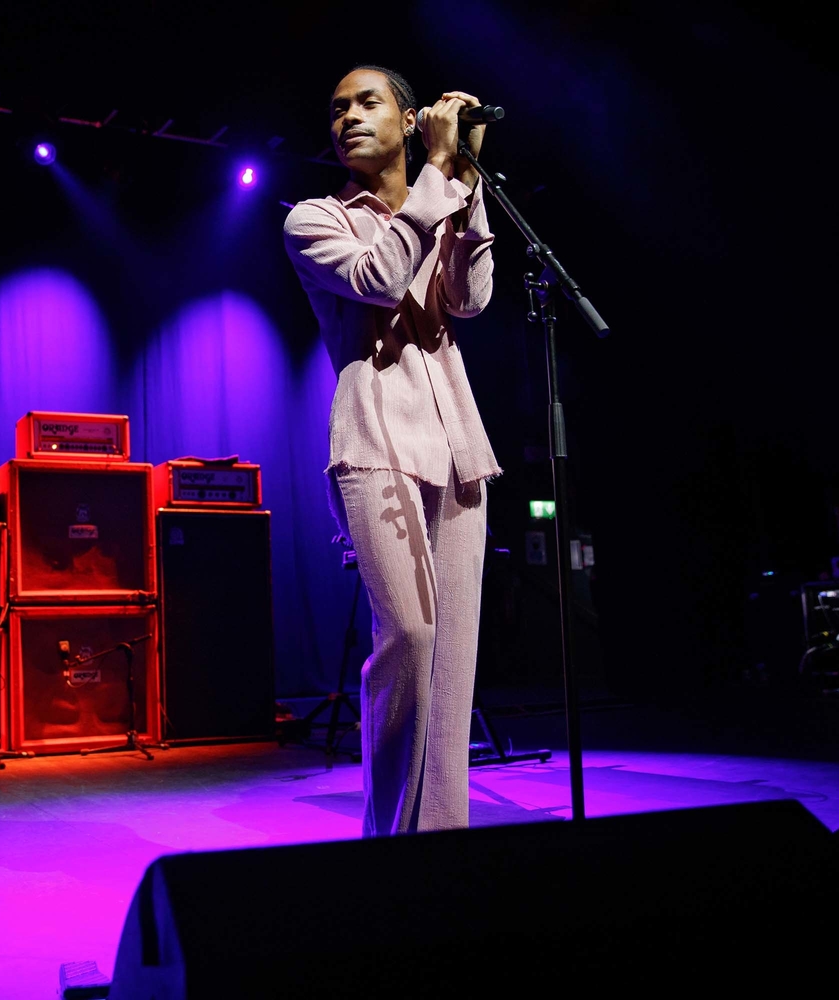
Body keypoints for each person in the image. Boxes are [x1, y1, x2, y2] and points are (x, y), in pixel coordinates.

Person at [283, 65, 500, 837]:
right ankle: (387, 846)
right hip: (374, 440)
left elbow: (469, 301)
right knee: (408, 635)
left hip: (457, 445)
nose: (346, 117)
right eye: (336, 107)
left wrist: (466, 185)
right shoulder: (315, 219)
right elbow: (380, 278)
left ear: (410, 120)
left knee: (451, 664)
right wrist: (441, 173)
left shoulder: (443, 200)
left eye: (367, 102)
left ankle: (442, 845)